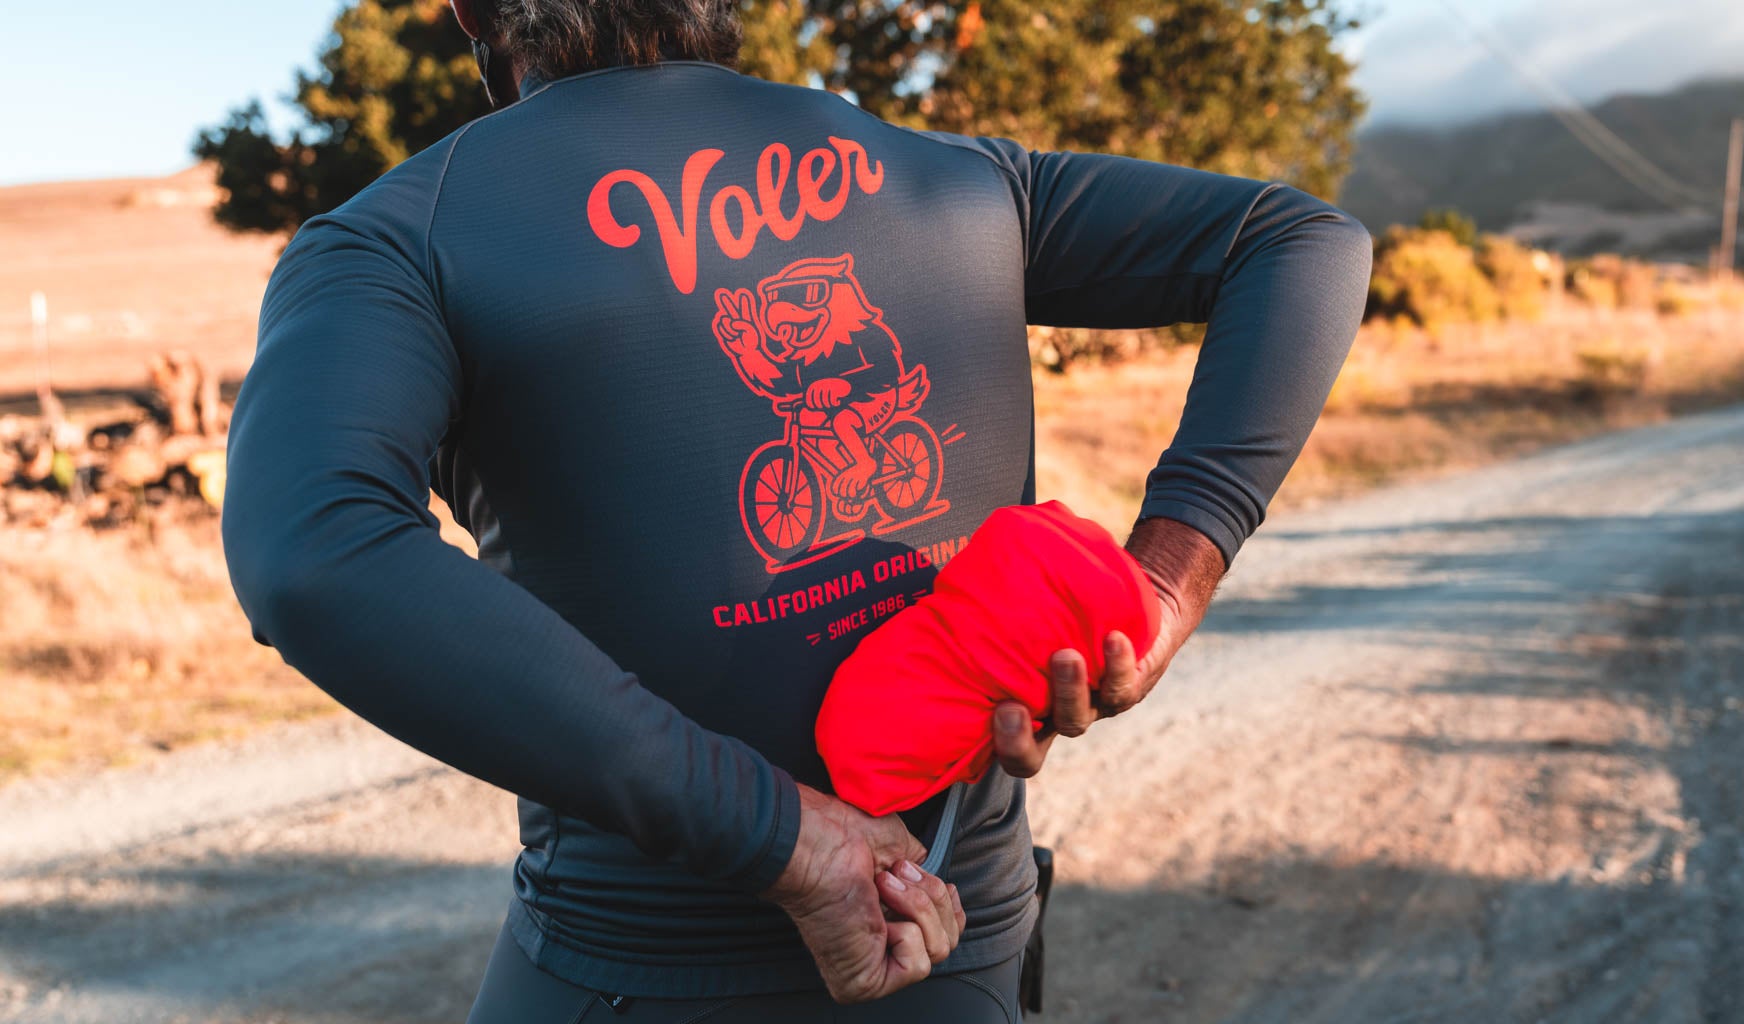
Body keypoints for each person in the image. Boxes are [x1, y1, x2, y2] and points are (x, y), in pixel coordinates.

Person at [219, 0, 1373, 1020]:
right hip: (958, 943)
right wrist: (1164, 579)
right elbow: (1300, 242)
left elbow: (315, 548)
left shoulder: (403, 238)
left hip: (638, 969)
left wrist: (780, 837)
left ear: (473, 9)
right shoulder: (957, 175)